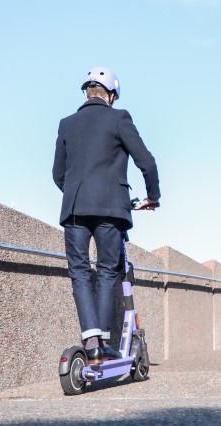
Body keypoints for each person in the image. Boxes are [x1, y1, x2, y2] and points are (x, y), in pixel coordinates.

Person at [53, 66, 160, 365]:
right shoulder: (119, 118)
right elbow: (147, 163)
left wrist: (77, 193)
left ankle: (91, 342)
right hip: (111, 209)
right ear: (111, 95)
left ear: (86, 93)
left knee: (78, 272)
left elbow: (57, 174)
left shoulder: (66, 123)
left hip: (74, 208)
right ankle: (103, 345)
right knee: (108, 272)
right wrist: (153, 197)